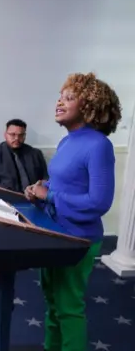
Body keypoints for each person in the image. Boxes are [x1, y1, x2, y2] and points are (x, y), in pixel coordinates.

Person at [25, 72, 121, 351]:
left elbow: (99, 202)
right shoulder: (67, 141)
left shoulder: (99, 145)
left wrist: (51, 194)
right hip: (53, 234)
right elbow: (64, 184)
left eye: (69, 98)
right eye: (60, 97)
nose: (59, 102)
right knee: (52, 305)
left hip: (77, 240)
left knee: (69, 309)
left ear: (90, 105)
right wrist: (40, 191)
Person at [0, 119, 48, 193]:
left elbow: (45, 178)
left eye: (21, 135)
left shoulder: (36, 154)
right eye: (12, 134)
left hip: (35, 198)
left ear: (25, 135)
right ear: (5, 135)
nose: (17, 138)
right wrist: (14, 192)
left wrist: (37, 188)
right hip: (5, 198)